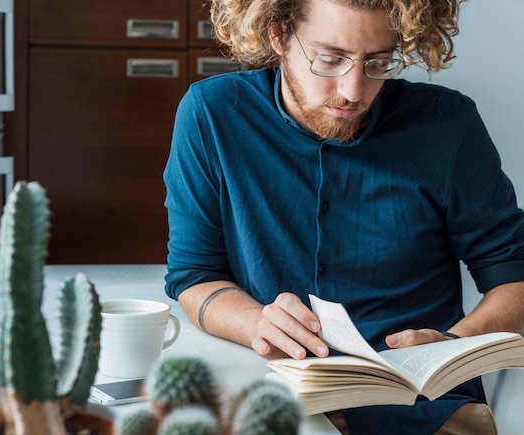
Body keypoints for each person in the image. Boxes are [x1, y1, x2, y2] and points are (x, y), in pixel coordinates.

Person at [163, 0, 524, 433]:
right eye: (330, 59)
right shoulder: (212, 115)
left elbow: (514, 277)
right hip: (280, 402)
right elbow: (195, 276)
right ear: (279, 35)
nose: (354, 90)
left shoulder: (449, 125)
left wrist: (450, 347)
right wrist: (255, 321)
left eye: (378, 62)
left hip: (424, 411)